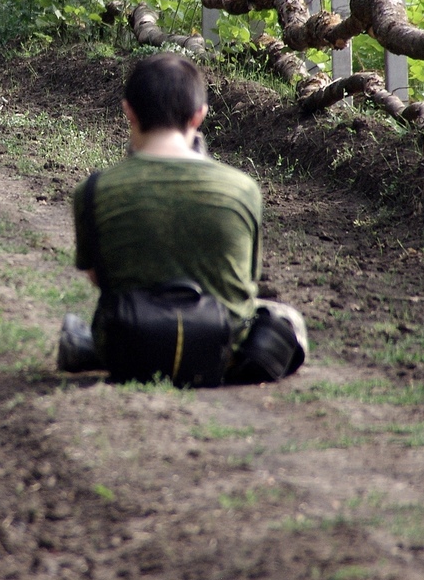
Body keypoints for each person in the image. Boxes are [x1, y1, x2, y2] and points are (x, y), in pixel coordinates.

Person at [58, 53, 308, 383]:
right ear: (199, 116)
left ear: (128, 111)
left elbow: (98, 276)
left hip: (129, 344)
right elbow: (248, 279)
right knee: (286, 318)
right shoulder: (243, 188)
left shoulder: (92, 190)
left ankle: (91, 346)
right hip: (221, 348)